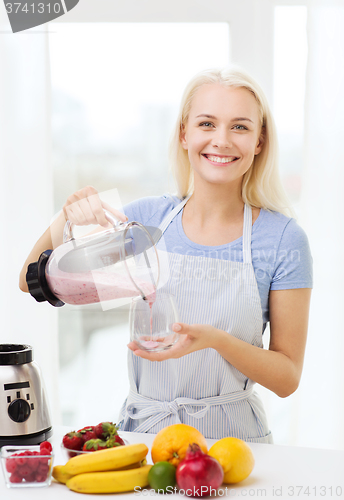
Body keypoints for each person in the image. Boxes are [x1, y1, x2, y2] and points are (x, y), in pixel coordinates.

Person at [19, 67, 312, 443]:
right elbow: (31, 281)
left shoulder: (283, 238)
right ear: (184, 134)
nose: (221, 140)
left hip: (235, 444)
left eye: (239, 127)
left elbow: (287, 378)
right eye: (207, 123)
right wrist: (67, 216)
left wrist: (214, 340)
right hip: (146, 439)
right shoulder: (145, 221)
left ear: (259, 141)